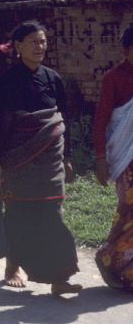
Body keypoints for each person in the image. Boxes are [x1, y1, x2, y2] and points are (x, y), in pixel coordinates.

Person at [0, 20, 82, 296]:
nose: (40, 47)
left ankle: (59, 278)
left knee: (53, 216)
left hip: (50, 161)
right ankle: (12, 266)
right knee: (18, 213)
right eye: (34, 42)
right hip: (17, 159)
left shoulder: (52, 79)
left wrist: (66, 156)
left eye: (43, 41)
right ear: (17, 47)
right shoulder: (6, 81)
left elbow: (61, 121)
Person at [92, 23, 133, 293]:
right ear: (123, 50)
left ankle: (123, 268)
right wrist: (100, 159)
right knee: (129, 210)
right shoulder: (114, 78)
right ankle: (111, 259)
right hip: (126, 155)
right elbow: (101, 120)